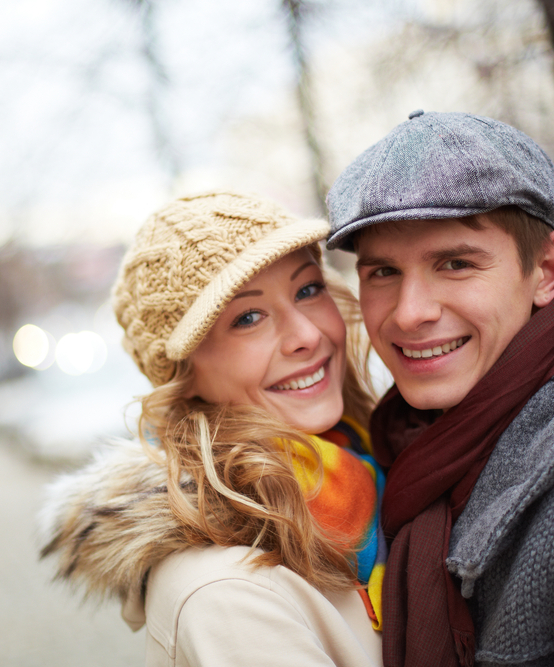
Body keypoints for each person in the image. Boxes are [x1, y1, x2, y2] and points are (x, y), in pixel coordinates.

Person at [326, 110, 554, 667]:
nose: (409, 314)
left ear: (547, 270)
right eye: (383, 272)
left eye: (455, 263)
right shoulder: (419, 438)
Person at [41, 191, 385, 666]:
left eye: (308, 289)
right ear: (184, 376)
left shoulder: (378, 461)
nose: (307, 335)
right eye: (248, 318)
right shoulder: (224, 591)